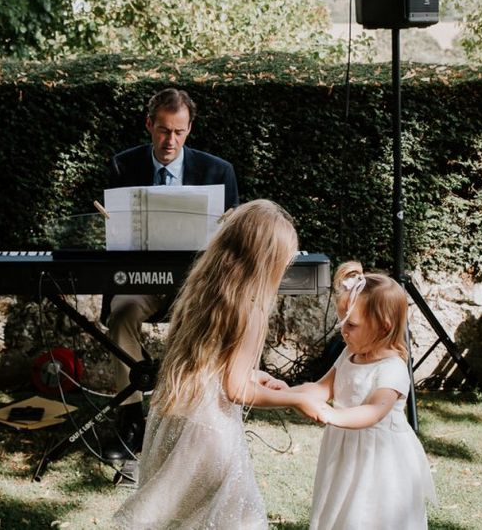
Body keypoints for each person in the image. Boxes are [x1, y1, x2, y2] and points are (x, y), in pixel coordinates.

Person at [114, 199, 334, 529]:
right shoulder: (251, 308)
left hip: (173, 418)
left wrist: (257, 375)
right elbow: (236, 388)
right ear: (266, 261)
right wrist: (298, 397)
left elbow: (214, 365)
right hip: (210, 433)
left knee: (177, 518)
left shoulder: (202, 289)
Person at [103, 88, 240, 460]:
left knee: (204, 321)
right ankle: (131, 417)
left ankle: (189, 419)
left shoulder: (218, 171)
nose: (170, 141)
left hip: (196, 285)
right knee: (121, 314)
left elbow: (232, 242)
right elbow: (112, 236)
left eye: (179, 132)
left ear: (190, 129)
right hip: (141, 280)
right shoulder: (122, 166)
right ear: (150, 125)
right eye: (164, 131)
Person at [295, 264, 437, 530]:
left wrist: (331, 414)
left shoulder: (392, 369)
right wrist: (284, 392)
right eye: (341, 320)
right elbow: (322, 388)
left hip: (378, 459)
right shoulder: (349, 353)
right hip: (344, 448)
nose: (342, 329)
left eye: (352, 324)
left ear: (383, 328)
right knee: (339, 504)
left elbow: (373, 412)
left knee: (366, 514)